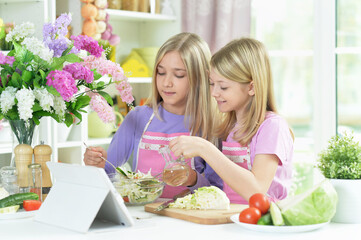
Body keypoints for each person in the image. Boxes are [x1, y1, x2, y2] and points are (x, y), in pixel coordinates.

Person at [83, 32, 219, 198]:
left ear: (200, 78)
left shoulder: (211, 126)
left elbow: (217, 193)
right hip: (142, 216)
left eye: (179, 75)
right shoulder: (138, 117)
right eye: (161, 73)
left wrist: (192, 178)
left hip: (187, 221)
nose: (166, 83)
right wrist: (96, 163)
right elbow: (107, 171)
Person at [169, 38, 294, 204]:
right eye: (212, 83)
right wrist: (193, 181)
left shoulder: (272, 127)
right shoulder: (230, 129)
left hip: (264, 222)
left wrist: (204, 148)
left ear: (251, 87)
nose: (214, 93)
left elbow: (256, 190)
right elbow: (222, 187)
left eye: (223, 86)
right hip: (234, 219)